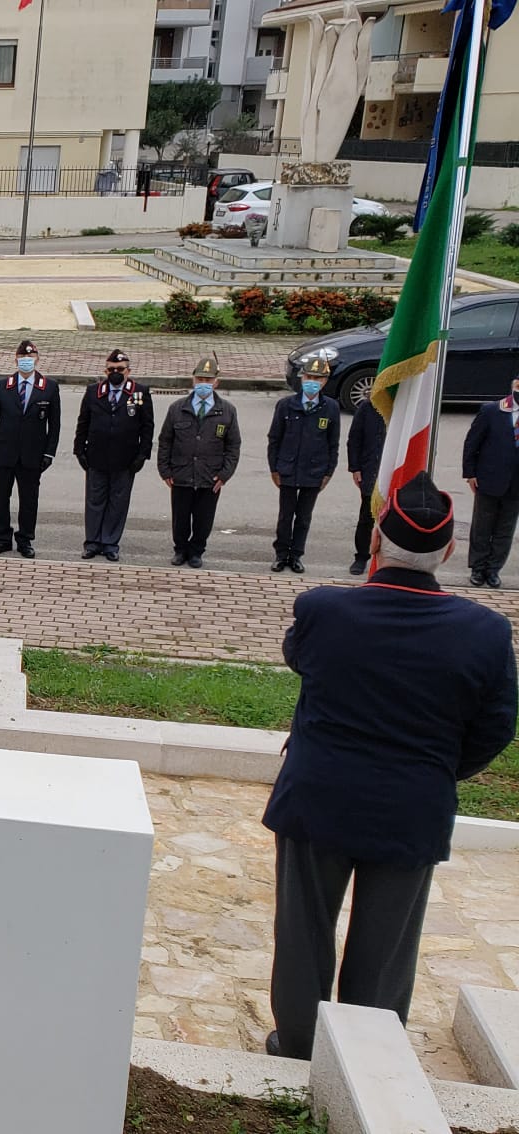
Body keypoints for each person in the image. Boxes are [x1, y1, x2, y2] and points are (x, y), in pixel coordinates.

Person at [261, 472, 517, 1061]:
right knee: (387, 942)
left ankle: (299, 1043)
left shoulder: (324, 610)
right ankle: (366, 1052)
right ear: (449, 550)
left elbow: (301, 659)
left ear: (376, 538)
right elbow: (496, 727)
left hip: (320, 793)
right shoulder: (485, 632)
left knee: (304, 930)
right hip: (413, 803)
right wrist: (437, 771)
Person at [158, 356, 242, 569]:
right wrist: (165, 470)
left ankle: (196, 551)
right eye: (199, 379)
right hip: (181, 473)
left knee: (204, 519)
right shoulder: (178, 408)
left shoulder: (227, 411)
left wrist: (224, 474)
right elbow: (165, 440)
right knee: (180, 517)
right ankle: (180, 550)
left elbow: (233, 446)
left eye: (208, 379)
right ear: (192, 380)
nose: (203, 383)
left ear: (216, 382)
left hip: (210, 476)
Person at [72, 349, 155, 562]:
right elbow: (83, 422)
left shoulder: (139, 392)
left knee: (118, 502)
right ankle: (92, 542)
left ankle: (110, 543)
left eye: (120, 369)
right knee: (94, 501)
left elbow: (147, 427)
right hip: (96, 457)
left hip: (125, 460)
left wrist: (142, 455)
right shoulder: (94, 391)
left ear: (128, 371)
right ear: (105, 370)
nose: (115, 372)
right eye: (111, 369)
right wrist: (79, 449)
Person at [0, 340, 60, 559]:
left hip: (32, 454)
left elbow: (55, 425)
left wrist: (49, 453)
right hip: (4, 452)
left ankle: (25, 539)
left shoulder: (49, 387)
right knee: (1, 498)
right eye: (23, 358)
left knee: (29, 500)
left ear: (37, 359)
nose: (27, 361)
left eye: (31, 357)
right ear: (15, 359)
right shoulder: (2, 386)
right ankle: (2, 539)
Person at [266, 359, 342, 574]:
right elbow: (274, 439)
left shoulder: (331, 408)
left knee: (304, 517)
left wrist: (328, 472)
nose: (312, 382)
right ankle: (281, 554)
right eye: (309, 377)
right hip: (288, 469)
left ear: (325, 382)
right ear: (302, 378)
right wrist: (274, 468)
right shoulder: (286, 405)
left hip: (314, 471)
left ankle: (296, 554)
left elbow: (333, 443)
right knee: (285, 515)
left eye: (317, 379)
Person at [462, 373, 519, 589]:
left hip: (516, 484)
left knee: (505, 528)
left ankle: (494, 569)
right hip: (489, 478)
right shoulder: (492, 411)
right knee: (482, 527)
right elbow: (472, 442)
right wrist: (470, 473)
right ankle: (478, 568)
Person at [347, 398, 387, 576]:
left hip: (392, 472)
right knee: (366, 518)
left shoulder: (403, 406)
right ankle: (361, 556)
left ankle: (388, 560)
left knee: (392, 520)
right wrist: (355, 467)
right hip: (370, 471)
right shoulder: (367, 407)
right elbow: (354, 439)